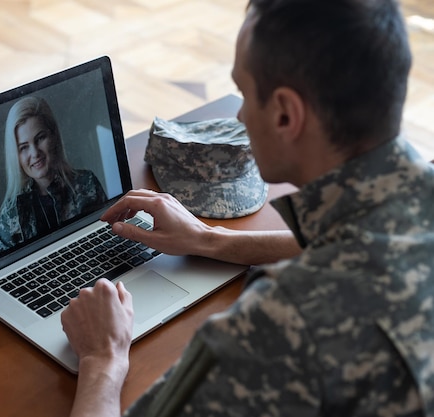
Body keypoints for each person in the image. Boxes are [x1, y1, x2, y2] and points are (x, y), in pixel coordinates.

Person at [60, 0, 434, 416]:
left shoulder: (280, 323)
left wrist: (102, 361)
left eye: (243, 93)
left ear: (285, 115)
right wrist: (211, 239)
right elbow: (354, 243)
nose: (239, 114)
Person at [0, 96, 107, 254]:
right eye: (24, 147)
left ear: (54, 136)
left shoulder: (87, 183)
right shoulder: (9, 215)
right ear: (16, 156)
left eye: (40, 138)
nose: (35, 153)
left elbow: (108, 233)